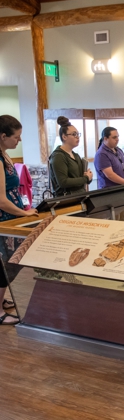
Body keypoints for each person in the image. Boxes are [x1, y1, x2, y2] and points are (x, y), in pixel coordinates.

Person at [0, 115, 38, 325]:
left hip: (10, 217)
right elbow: (1, 200)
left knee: (9, 263)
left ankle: (1, 299)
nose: (19, 141)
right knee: (3, 264)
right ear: (3, 136)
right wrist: (23, 213)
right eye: (16, 137)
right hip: (5, 220)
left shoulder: (3, 155)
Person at [94, 127, 124, 221]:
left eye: (118, 137)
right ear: (105, 138)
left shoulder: (118, 150)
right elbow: (110, 175)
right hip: (112, 194)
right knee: (115, 221)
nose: (117, 139)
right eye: (114, 137)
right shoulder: (101, 154)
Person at [49, 116, 93, 196]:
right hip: (66, 200)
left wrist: (88, 176)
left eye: (78, 134)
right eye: (74, 134)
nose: (77, 136)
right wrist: (86, 178)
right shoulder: (58, 156)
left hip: (80, 196)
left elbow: (81, 178)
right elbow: (63, 182)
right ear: (64, 137)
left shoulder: (75, 155)